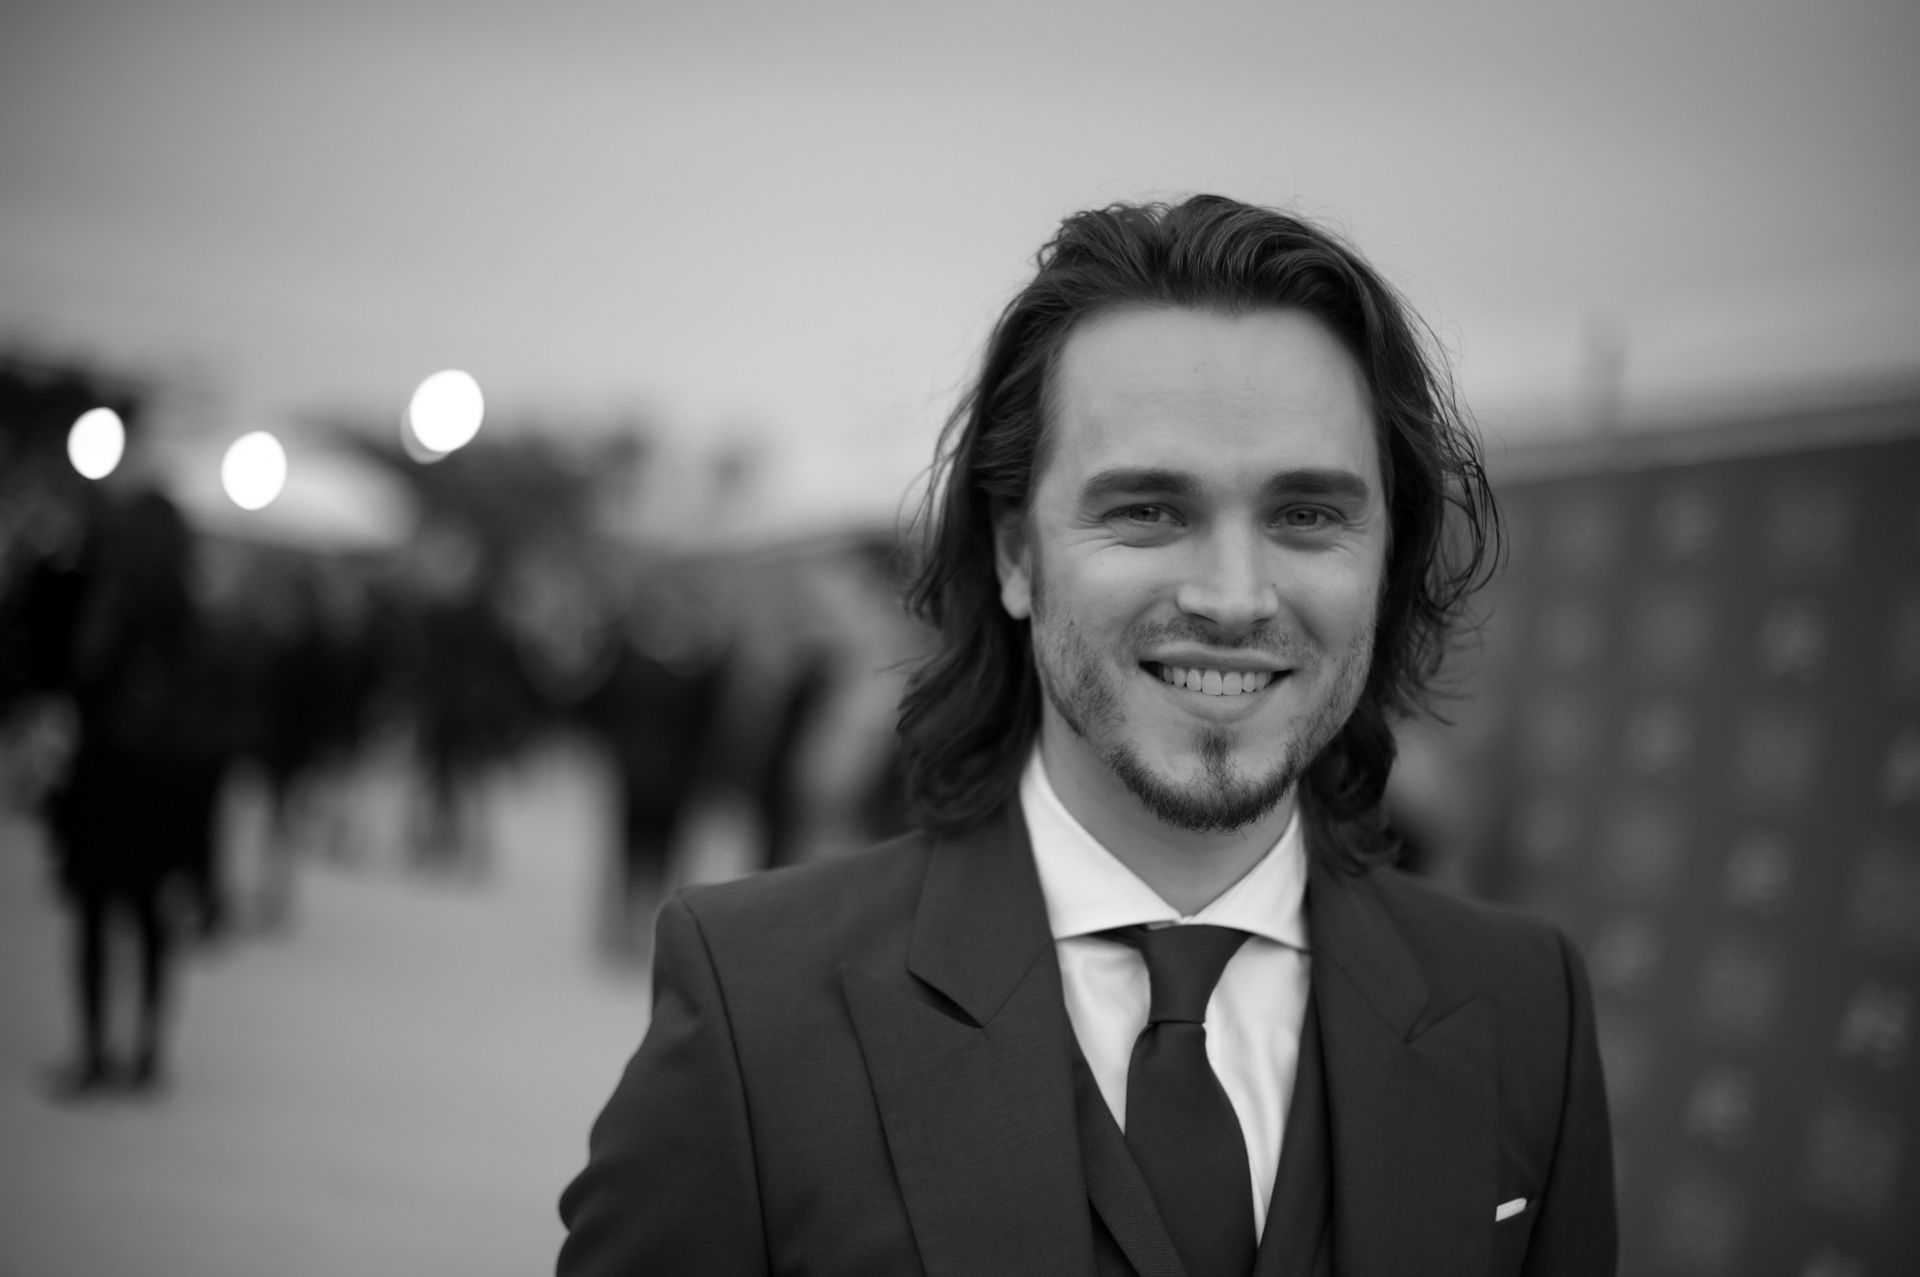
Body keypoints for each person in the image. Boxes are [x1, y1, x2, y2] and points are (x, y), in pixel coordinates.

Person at [557, 194, 1616, 1276]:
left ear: (1387, 562)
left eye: (1307, 514)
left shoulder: (1525, 1009)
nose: (1235, 596)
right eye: (1149, 510)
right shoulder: (755, 1004)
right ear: (1017, 553)